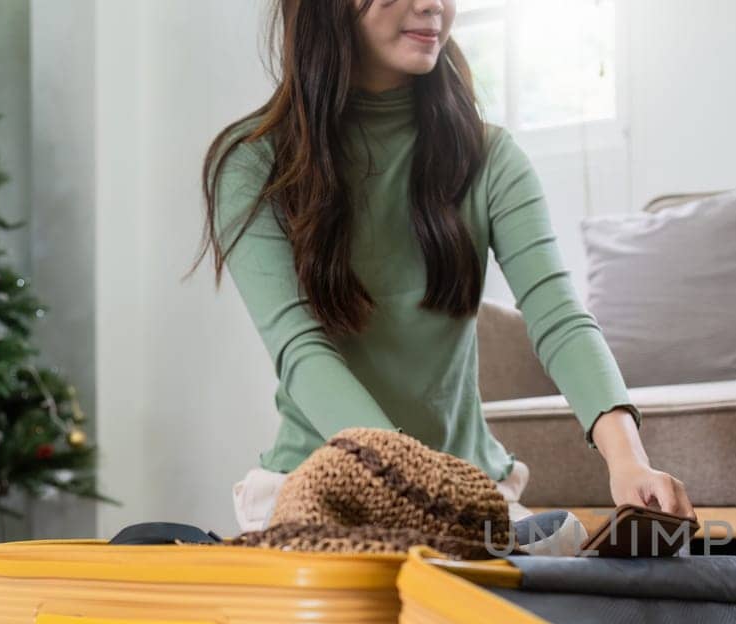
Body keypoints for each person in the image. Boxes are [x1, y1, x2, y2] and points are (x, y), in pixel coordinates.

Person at [198, 0, 693, 532]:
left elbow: (559, 318)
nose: (431, 5)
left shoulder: (491, 157)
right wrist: (414, 485)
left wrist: (627, 460)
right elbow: (300, 351)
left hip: (469, 491)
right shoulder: (254, 164)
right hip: (318, 489)